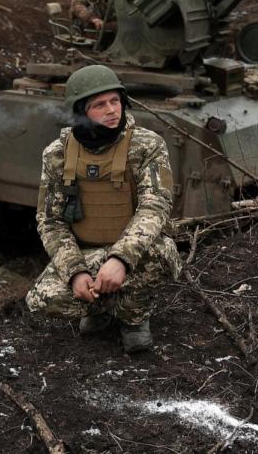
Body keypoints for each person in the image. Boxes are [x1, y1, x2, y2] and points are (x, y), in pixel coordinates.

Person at [25, 64, 182, 353]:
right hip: (87, 253)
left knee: (161, 254)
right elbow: (50, 222)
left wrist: (121, 259)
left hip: (139, 251)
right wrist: (75, 272)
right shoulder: (57, 154)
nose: (112, 110)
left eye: (115, 101)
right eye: (99, 105)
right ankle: (99, 308)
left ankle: (133, 318)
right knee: (43, 299)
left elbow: (155, 207)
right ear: (81, 111)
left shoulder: (147, 145)